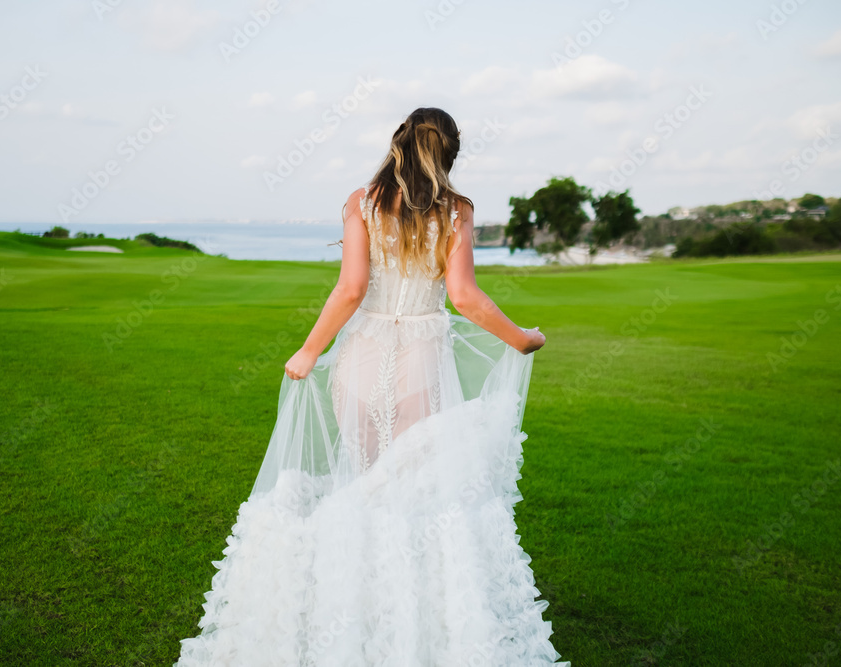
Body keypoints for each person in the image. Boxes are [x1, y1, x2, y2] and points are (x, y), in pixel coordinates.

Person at [174, 107, 569, 666]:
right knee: (412, 494)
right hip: (421, 362)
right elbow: (466, 298)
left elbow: (351, 289)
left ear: (396, 145)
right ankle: (408, 630)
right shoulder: (457, 211)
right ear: (450, 152)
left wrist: (310, 351)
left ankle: (351, 622)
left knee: (362, 484)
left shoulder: (362, 202)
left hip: (360, 358)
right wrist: (522, 338)